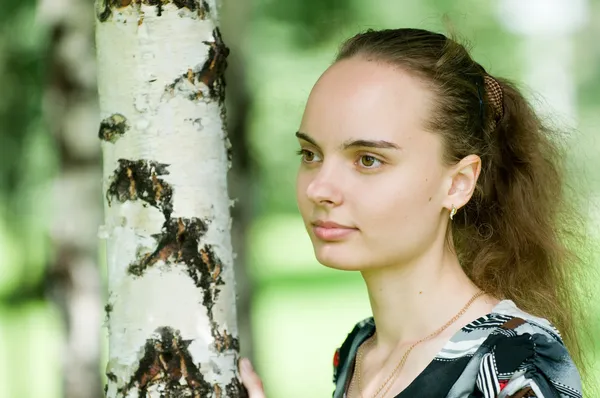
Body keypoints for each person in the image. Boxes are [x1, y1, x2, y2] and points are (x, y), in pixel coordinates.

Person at [238, 28, 592, 397]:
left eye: (368, 160)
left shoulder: (512, 364)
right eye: (311, 155)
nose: (318, 189)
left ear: (457, 183)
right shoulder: (360, 349)